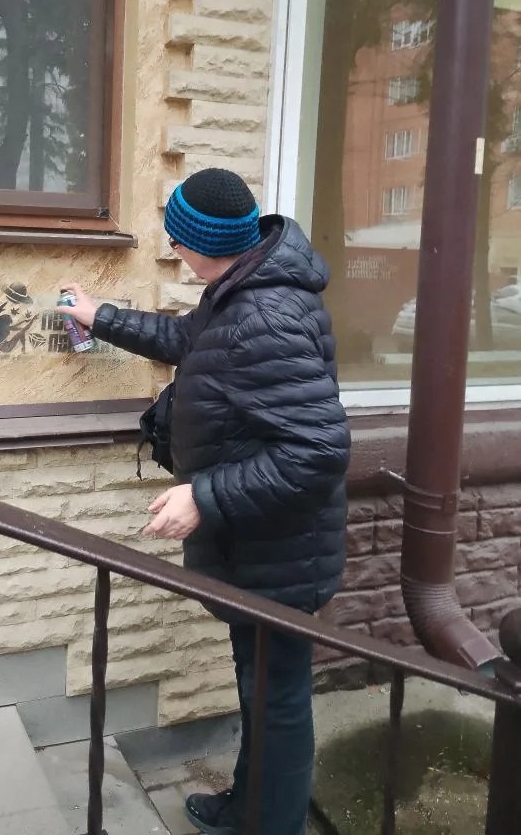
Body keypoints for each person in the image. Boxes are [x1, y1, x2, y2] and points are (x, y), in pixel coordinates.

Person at [57, 167, 350, 835]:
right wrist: (100, 316)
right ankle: (250, 807)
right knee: (260, 690)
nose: (173, 251)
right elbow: (189, 340)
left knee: (276, 701)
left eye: (175, 240)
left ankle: (269, 824)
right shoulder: (243, 289)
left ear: (196, 244)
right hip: (262, 547)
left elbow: (318, 451)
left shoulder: (263, 316)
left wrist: (205, 497)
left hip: (279, 554)